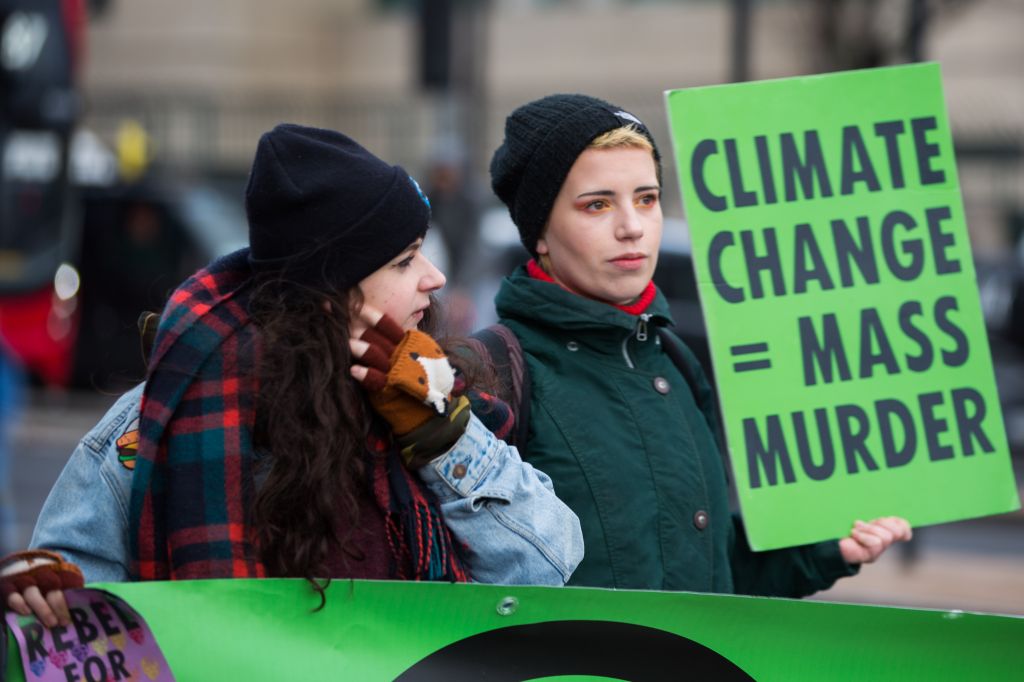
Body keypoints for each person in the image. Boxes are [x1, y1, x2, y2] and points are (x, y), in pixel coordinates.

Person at [2, 123, 583, 628]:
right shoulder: (160, 417)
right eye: (405, 260)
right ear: (329, 294)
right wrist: (43, 595)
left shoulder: (430, 386)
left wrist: (445, 439)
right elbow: (77, 608)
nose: (433, 278)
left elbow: (548, 562)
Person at [487, 93, 911, 593]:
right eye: (597, 205)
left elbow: (714, 576)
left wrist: (828, 550)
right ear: (539, 232)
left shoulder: (673, 365)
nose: (633, 227)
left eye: (646, 198)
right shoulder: (491, 375)